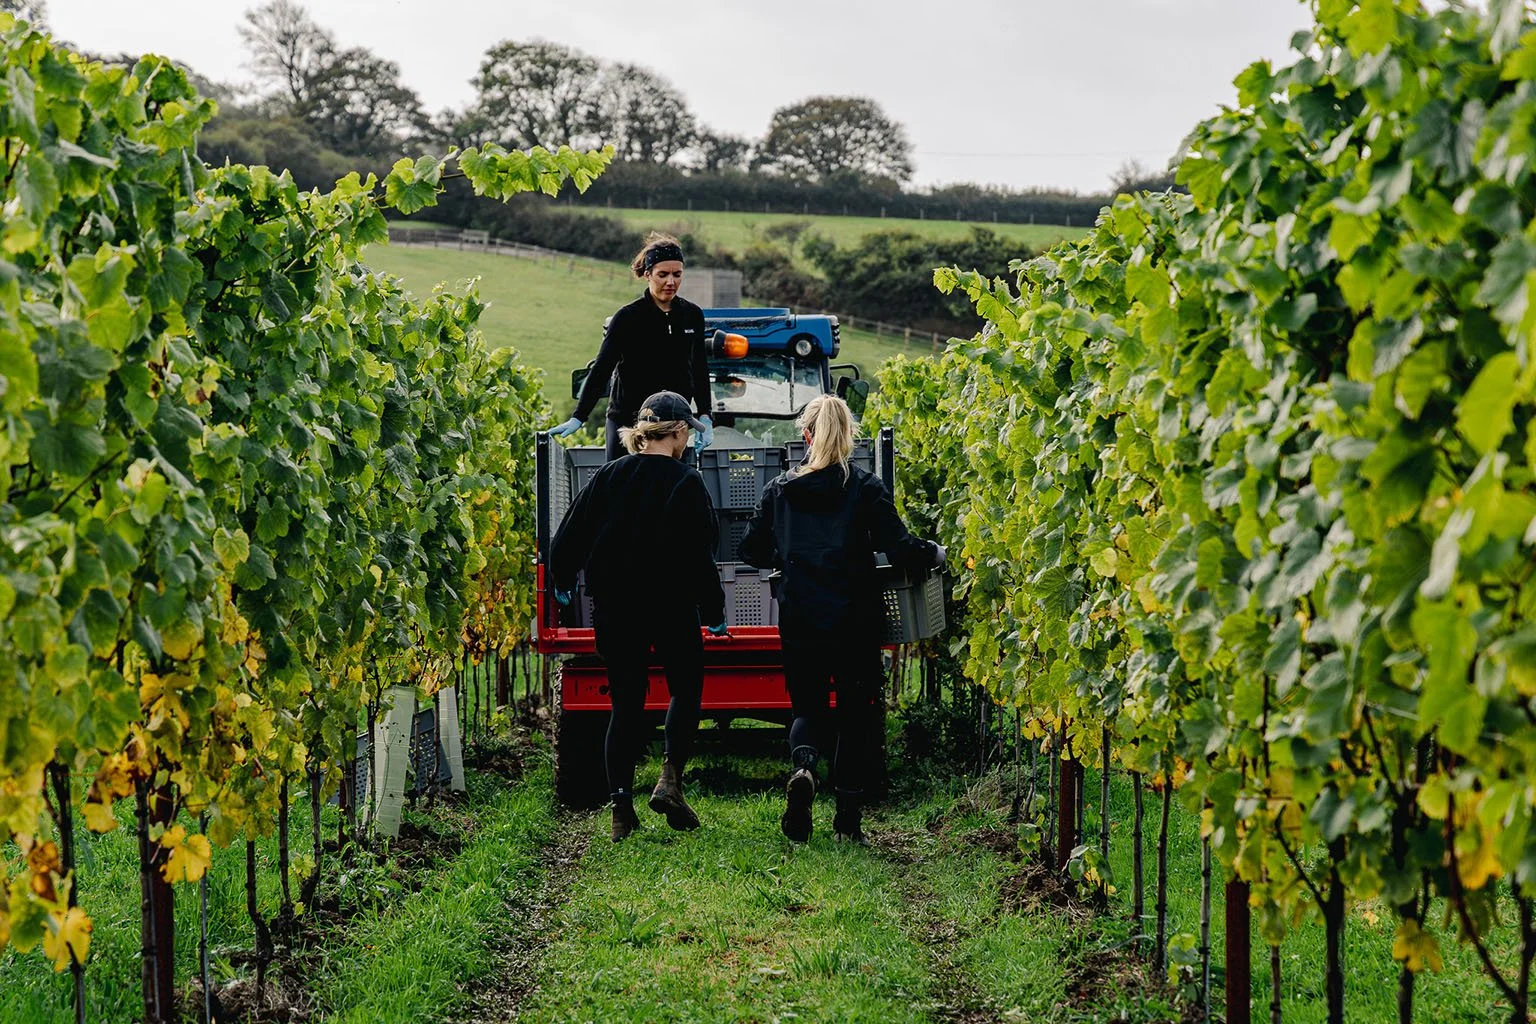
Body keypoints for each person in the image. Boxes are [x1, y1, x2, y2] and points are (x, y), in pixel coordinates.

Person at [740, 395, 944, 844]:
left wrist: (788, 556)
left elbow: (748, 551)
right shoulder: (867, 488)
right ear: (850, 436)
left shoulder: (780, 490)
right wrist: (934, 552)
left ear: (806, 435)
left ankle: (804, 769)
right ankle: (848, 822)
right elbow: (900, 549)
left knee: (807, 708)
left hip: (800, 616)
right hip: (855, 618)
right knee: (855, 715)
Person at [550, 391, 728, 842]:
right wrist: (714, 611)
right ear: (681, 432)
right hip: (671, 606)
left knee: (625, 704)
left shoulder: (608, 477)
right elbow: (700, 557)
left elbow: (567, 538)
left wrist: (564, 580)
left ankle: (621, 810)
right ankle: (669, 779)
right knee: (686, 689)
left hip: (615, 607)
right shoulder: (686, 483)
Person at [549, 234, 715, 460]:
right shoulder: (628, 317)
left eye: (677, 275)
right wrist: (579, 416)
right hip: (629, 422)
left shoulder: (692, 315)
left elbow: (699, 368)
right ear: (648, 274)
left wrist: (705, 414)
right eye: (663, 275)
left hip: (674, 422)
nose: (671, 282)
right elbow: (602, 369)